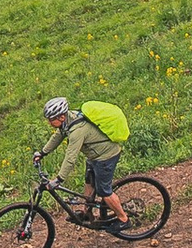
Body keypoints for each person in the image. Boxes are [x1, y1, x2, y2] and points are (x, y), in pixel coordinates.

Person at [38, 94, 126, 228]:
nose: (49, 122)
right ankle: (86, 212)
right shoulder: (69, 119)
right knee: (89, 181)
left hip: (106, 157)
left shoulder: (77, 131)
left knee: (104, 191)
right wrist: (42, 152)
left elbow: (70, 158)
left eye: (51, 119)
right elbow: (58, 136)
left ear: (61, 117)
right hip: (94, 156)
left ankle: (123, 219)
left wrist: (59, 179)